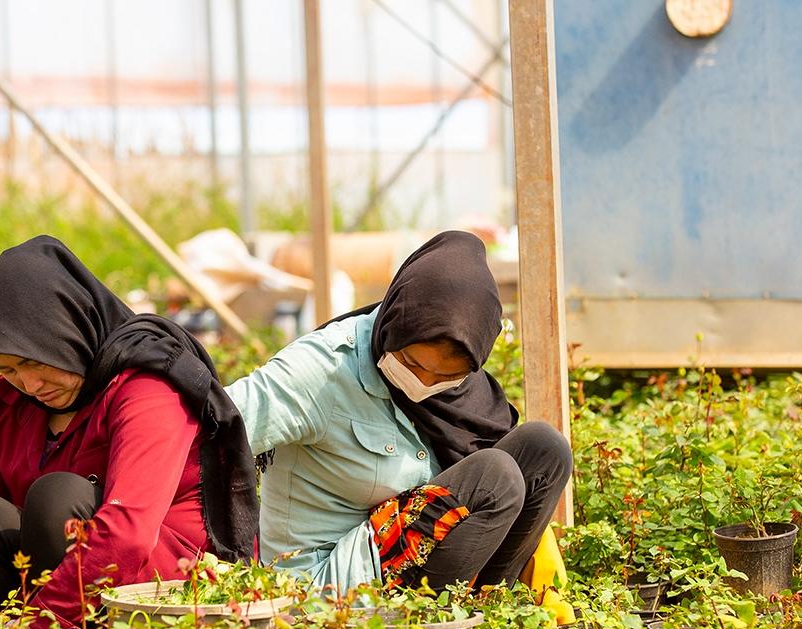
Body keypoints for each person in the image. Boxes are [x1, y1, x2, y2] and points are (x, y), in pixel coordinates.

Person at [0, 235, 258, 629]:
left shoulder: (148, 389)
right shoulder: (16, 404)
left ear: (67, 331)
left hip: (163, 588)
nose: (28, 383)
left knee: (55, 500)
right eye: (7, 369)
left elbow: (128, 534)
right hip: (62, 592)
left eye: (32, 361)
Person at [224, 230, 572, 597]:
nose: (422, 383)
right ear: (395, 325)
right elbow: (214, 430)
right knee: (494, 477)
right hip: (326, 584)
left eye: (445, 377)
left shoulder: (466, 395)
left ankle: (490, 611)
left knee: (544, 448)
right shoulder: (323, 371)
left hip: (410, 553)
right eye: (411, 363)